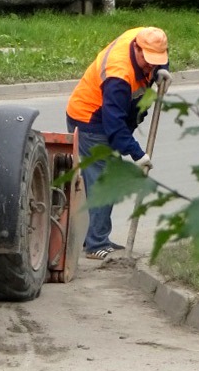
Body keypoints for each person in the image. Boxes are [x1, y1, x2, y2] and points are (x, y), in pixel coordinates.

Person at [66, 26, 170, 260]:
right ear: (136, 48)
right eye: (148, 61)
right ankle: (96, 244)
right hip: (90, 120)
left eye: (157, 61)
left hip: (106, 116)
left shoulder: (148, 37)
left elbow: (160, 57)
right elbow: (115, 128)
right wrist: (137, 154)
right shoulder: (118, 75)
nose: (151, 66)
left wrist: (163, 70)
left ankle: (96, 236)